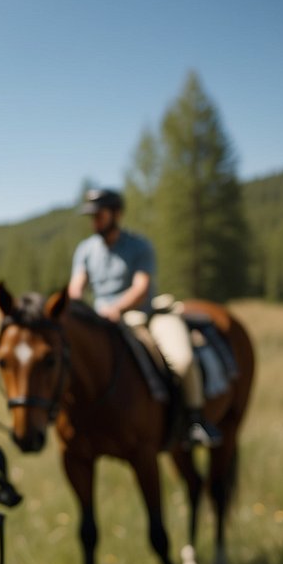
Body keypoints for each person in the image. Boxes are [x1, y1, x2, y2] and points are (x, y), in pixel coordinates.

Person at [67, 187, 220, 447]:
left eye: (99, 215)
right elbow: (76, 288)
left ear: (116, 214)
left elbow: (141, 288)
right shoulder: (85, 250)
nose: (94, 222)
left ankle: (195, 420)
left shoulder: (139, 246)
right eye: (91, 217)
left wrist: (115, 309)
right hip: (102, 322)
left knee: (182, 360)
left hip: (146, 316)